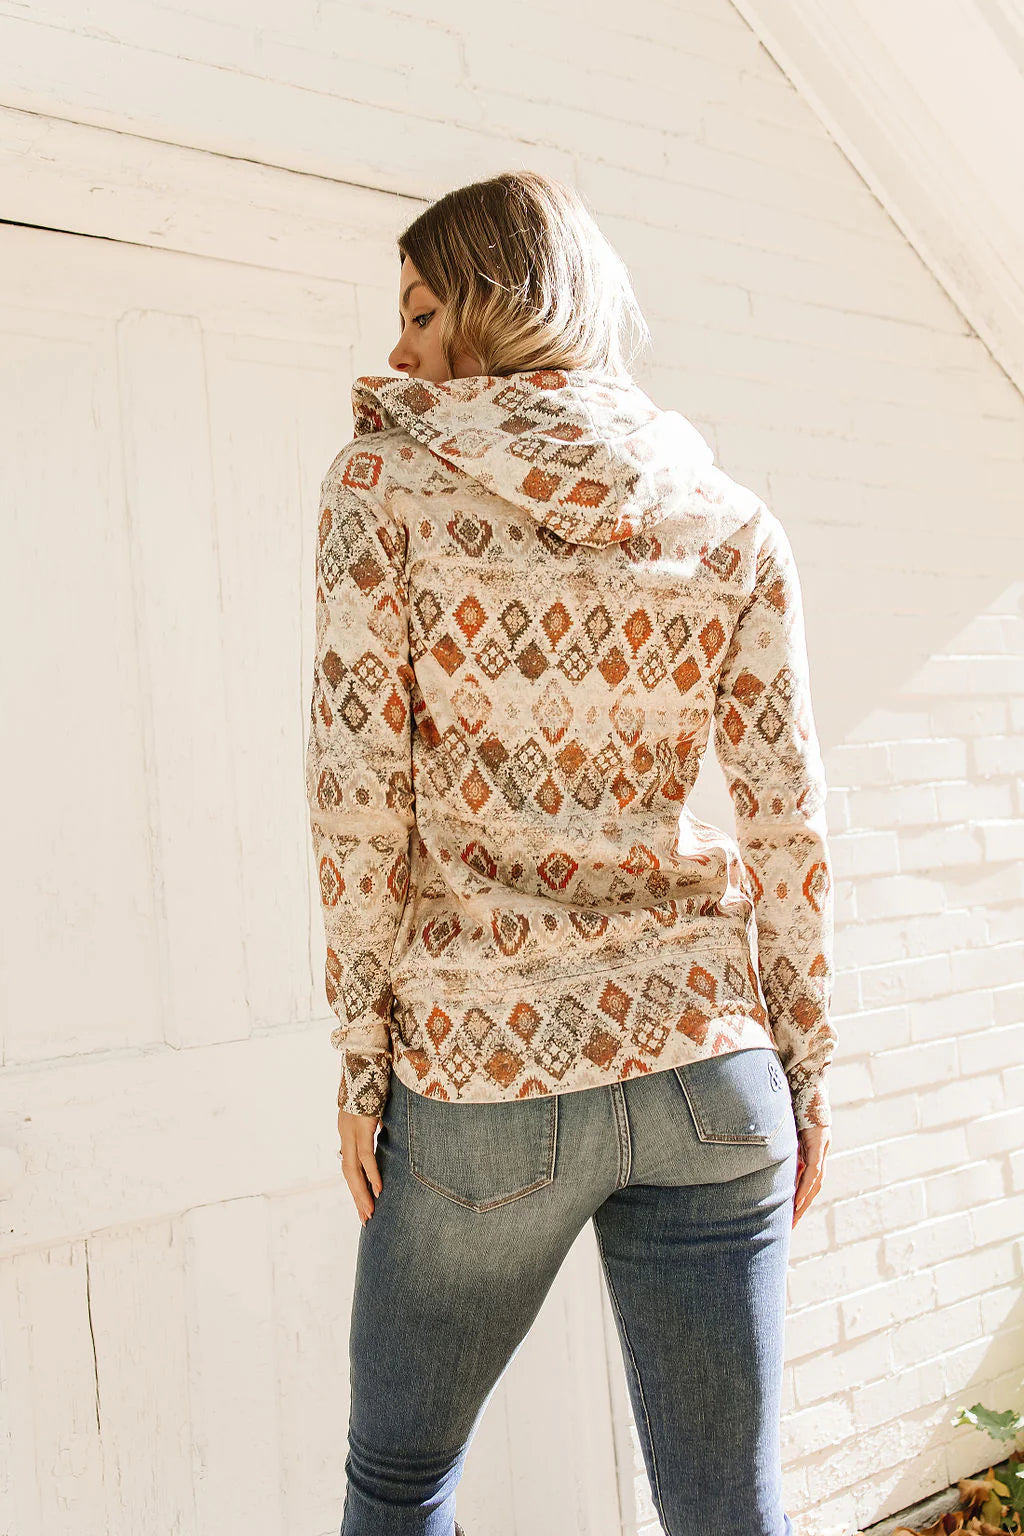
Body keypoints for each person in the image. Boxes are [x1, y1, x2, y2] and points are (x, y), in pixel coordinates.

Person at [305, 169, 836, 1536]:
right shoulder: (727, 518)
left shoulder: (381, 487)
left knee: (400, 1483)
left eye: (422, 311)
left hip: (486, 1076)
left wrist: (361, 1060)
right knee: (731, 1513)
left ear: (497, 303)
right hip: (712, 1070)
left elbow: (358, 800)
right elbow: (787, 817)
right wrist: (805, 1069)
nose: (399, 352)